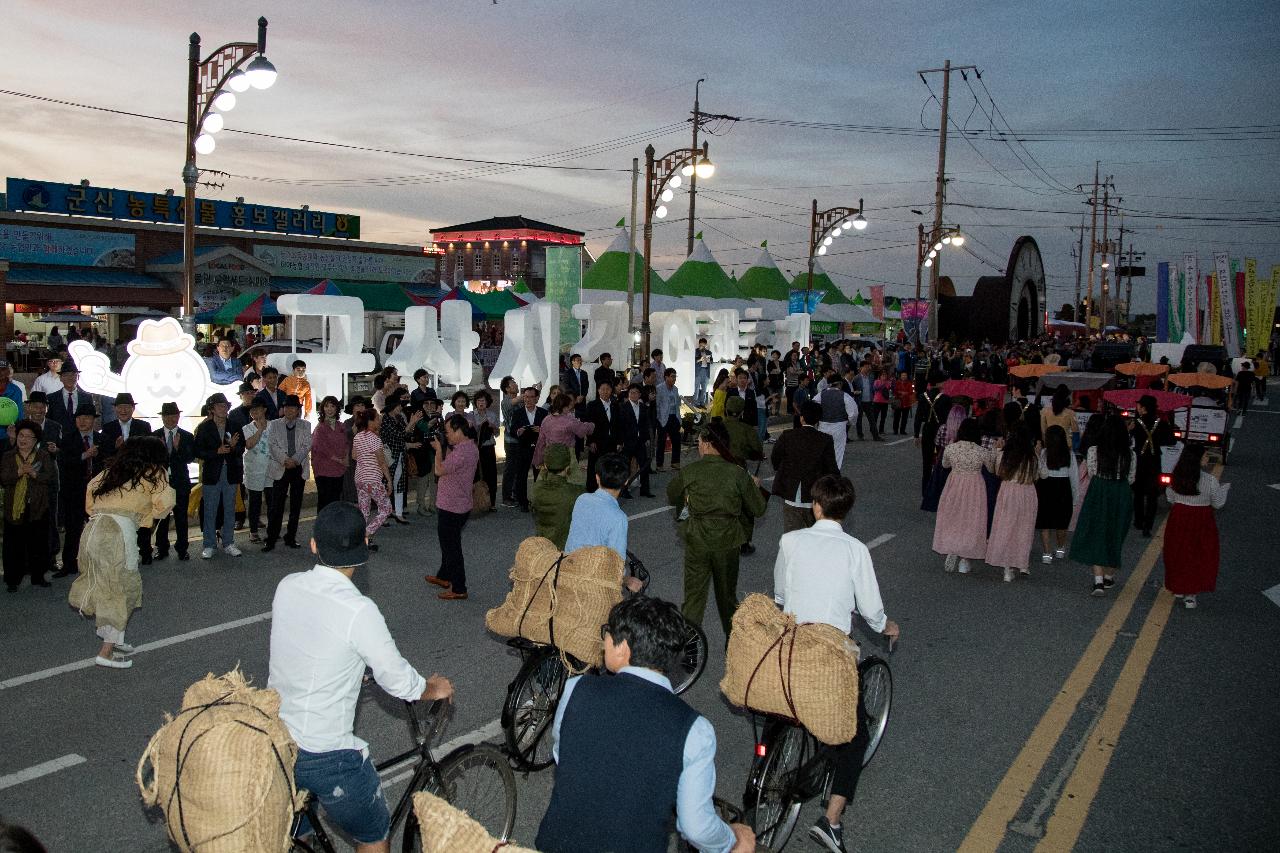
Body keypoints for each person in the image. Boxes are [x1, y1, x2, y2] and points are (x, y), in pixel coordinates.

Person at [269, 501, 454, 853]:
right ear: (364, 547)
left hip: (279, 741)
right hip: (326, 754)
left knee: (297, 828)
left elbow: (311, 644)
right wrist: (433, 688)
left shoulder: (287, 586)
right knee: (373, 833)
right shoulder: (359, 610)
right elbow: (399, 681)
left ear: (313, 545)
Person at [534, 595, 755, 853]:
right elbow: (696, 827)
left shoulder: (576, 689)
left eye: (608, 633)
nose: (604, 641)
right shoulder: (695, 729)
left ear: (623, 647)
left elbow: (565, 755)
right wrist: (732, 839)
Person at [772, 474, 900, 853]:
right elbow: (872, 611)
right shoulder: (855, 550)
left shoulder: (790, 541)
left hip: (793, 647)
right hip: (831, 654)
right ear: (847, 511)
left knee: (785, 708)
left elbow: (780, 592)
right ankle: (831, 821)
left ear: (815, 506)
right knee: (856, 735)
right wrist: (886, 626)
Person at [68, 435, 174, 668]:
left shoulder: (110, 471)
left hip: (92, 530)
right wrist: (146, 515)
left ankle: (116, 639)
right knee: (122, 588)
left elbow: (89, 497)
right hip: (119, 532)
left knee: (102, 583)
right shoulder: (153, 472)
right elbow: (164, 504)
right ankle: (106, 651)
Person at [667, 422, 767, 639]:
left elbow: (672, 494)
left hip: (697, 540)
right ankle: (732, 645)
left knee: (693, 598)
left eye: (700, 442)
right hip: (727, 541)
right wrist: (754, 486)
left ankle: (690, 650)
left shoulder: (691, 471)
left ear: (708, 444)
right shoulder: (738, 473)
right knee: (727, 598)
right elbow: (758, 508)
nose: (698, 446)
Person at [1070, 414, 1137, 596]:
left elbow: (1092, 472)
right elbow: (1131, 478)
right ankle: (1109, 576)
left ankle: (1098, 581)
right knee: (1115, 533)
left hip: (1099, 491)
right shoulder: (1130, 454)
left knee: (1096, 532)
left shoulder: (1094, 450)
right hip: (1120, 492)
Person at [1163, 442, 1228, 610]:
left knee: (1177, 552)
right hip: (1201, 519)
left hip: (1179, 516)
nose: (1207, 458)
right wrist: (1225, 489)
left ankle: (1177, 585)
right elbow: (1218, 503)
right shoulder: (1210, 480)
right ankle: (1190, 594)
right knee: (1198, 554)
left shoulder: (1177, 477)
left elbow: (1170, 497)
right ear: (1197, 459)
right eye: (1205, 455)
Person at [424, 415, 478, 601]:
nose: (446, 435)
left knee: (451, 548)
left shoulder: (462, 452)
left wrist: (438, 450)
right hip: (459, 503)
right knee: (449, 543)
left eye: (448, 431)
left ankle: (459, 588)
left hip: (452, 507)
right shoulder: (469, 446)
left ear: (458, 431)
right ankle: (444, 577)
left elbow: (439, 470)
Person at [931, 418, 994, 574]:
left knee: (953, 517)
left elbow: (945, 465)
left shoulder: (951, 448)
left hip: (955, 484)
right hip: (975, 486)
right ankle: (965, 560)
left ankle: (952, 548)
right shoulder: (981, 451)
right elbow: (991, 469)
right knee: (972, 520)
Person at [2, 420, 57, 591]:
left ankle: (38, 576)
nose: (23, 439)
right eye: (21, 436)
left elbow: (50, 477)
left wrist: (33, 473)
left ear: (35, 440)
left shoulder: (43, 455)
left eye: (28, 437)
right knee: (13, 545)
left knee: (38, 544)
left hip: (38, 507)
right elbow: (4, 478)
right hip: (14, 508)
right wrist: (19, 472)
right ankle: (12, 580)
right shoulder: (8, 456)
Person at [770, 401, 840, 533]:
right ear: (818, 420)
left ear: (801, 418)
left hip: (791, 495)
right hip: (815, 499)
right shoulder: (825, 439)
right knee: (814, 538)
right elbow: (832, 470)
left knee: (793, 538)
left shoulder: (787, 435)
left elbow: (775, 458)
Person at [986, 426, 1042, 582]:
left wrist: (996, 451)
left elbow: (997, 472)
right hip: (1027, 492)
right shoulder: (1033, 457)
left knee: (1006, 526)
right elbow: (1041, 474)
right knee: (1024, 528)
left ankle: (1007, 568)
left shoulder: (1004, 454)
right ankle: (1022, 563)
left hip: (1008, 491)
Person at [194, 392, 244, 560]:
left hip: (231, 472)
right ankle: (209, 544)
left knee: (230, 509)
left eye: (225, 406)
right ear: (212, 409)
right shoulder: (204, 427)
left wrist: (234, 447)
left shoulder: (235, 425)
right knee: (210, 509)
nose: (223, 409)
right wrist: (217, 451)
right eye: (220, 406)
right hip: (212, 473)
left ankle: (229, 542)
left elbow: (241, 449)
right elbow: (198, 451)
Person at [55, 403, 101, 577]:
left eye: (87, 418)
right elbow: (65, 462)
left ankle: (96, 563)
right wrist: (85, 455)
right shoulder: (67, 439)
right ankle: (68, 565)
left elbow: (108, 463)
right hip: (74, 492)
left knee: (96, 530)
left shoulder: (101, 439)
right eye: (79, 418)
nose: (82, 421)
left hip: (96, 493)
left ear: (93, 421)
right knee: (73, 530)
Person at [264, 395, 313, 551]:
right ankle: (271, 538)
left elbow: (307, 445)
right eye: (286, 407)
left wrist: (295, 460)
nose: (289, 410)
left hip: (298, 467)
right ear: (282, 409)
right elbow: (272, 445)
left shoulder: (306, 425)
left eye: (293, 407)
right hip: (281, 467)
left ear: (298, 410)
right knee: (276, 506)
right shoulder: (273, 425)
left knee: (296, 505)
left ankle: (290, 537)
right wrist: (285, 460)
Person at [564, 452, 629, 563]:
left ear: (597, 478)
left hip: (568, 566)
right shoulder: (619, 517)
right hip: (592, 575)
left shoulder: (582, 499)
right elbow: (617, 564)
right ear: (626, 481)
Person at [153, 402, 195, 561]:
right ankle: (161, 548)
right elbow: (151, 460)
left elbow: (190, 458)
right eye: (167, 416)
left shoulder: (186, 435)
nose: (171, 419)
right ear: (162, 417)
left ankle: (182, 548)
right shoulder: (155, 435)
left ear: (178, 417)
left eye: (174, 415)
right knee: (161, 517)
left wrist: (177, 449)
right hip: (161, 483)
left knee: (181, 518)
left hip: (181, 482)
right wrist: (163, 451)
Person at [1130, 395, 1174, 537]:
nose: (1137, 407)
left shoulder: (1135, 423)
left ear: (1143, 408)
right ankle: (1148, 526)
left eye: (1139, 405)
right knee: (1152, 494)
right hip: (1154, 460)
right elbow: (1171, 440)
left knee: (1138, 491)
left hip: (1139, 460)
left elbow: (1127, 438)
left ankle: (1138, 520)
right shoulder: (1161, 423)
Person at [1035, 424, 1078, 564]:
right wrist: (1075, 497)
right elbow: (1074, 477)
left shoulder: (1044, 453)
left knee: (1045, 521)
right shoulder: (1069, 454)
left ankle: (1047, 553)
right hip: (1063, 487)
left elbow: (1041, 472)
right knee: (1062, 521)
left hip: (1046, 486)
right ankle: (1060, 549)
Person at [351, 408, 393, 550]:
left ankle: (361, 540)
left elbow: (354, 456)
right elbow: (382, 463)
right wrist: (389, 481)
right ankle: (366, 534)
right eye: (377, 418)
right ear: (371, 421)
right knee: (386, 509)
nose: (379, 420)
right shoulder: (375, 439)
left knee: (364, 510)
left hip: (360, 478)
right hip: (373, 479)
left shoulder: (358, 436)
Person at [530, 444, 583, 549]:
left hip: (543, 547)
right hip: (565, 549)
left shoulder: (537, 488)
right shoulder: (576, 492)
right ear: (568, 468)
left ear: (545, 466)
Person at [377, 393, 418, 524]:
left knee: (399, 484)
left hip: (400, 455)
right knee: (386, 484)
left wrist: (412, 424)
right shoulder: (385, 420)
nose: (401, 407)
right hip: (388, 456)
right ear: (392, 407)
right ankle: (383, 514)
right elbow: (398, 435)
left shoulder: (399, 418)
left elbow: (407, 434)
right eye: (399, 405)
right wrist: (411, 423)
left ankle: (398, 512)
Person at [532, 392, 595, 471]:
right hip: (566, 456)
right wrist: (592, 425)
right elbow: (582, 431)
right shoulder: (569, 420)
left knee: (552, 481)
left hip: (550, 456)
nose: (569, 408)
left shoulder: (546, 419)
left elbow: (541, 442)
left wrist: (538, 461)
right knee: (567, 481)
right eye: (568, 406)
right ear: (564, 407)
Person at [240, 398, 273, 543]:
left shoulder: (274, 425)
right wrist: (259, 430)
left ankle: (273, 529)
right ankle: (253, 531)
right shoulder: (247, 428)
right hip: (254, 469)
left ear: (264, 409)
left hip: (272, 469)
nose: (254, 412)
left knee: (272, 501)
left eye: (257, 409)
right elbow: (249, 445)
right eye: (252, 410)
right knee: (255, 502)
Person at [508, 387, 547, 512]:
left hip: (539, 449)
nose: (528, 399)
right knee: (521, 476)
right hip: (523, 448)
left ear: (537, 398)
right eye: (526, 397)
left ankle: (539, 502)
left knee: (539, 477)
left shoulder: (543, 413)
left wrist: (541, 430)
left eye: (531, 397)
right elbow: (512, 430)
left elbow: (549, 431)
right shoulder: (518, 413)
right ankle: (523, 502)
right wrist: (518, 431)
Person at [312, 396, 349, 512]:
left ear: (337, 408)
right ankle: (322, 527)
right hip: (324, 469)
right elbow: (321, 447)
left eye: (332, 406)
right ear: (322, 409)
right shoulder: (320, 427)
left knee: (335, 499)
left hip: (339, 468)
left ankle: (333, 526)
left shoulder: (341, 425)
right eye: (326, 406)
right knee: (324, 500)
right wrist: (339, 460)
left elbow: (347, 443)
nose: (329, 409)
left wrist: (346, 458)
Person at [617, 383, 653, 498]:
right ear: (628, 394)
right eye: (631, 392)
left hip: (640, 441)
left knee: (644, 466)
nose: (634, 395)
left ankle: (645, 490)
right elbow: (620, 427)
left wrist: (647, 438)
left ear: (640, 394)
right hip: (628, 442)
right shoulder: (623, 407)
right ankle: (624, 490)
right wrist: (620, 442)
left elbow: (645, 424)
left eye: (636, 392)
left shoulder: (643, 407)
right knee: (626, 468)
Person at [584, 380, 620, 493]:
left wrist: (619, 441)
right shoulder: (592, 405)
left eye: (608, 389)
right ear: (598, 390)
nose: (605, 391)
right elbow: (588, 424)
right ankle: (592, 490)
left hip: (612, 441)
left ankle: (608, 490)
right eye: (602, 389)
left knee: (610, 467)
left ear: (611, 391)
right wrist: (590, 441)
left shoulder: (615, 405)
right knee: (594, 468)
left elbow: (619, 424)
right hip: (597, 442)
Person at [816, 377, 858, 469]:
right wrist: (850, 423)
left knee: (823, 451)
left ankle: (822, 474)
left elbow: (812, 407)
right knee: (837, 453)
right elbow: (853, 413)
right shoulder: (844, 395)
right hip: (839, 425)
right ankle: (834, 475)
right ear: (840, 384)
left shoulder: (821, 395)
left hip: (823, 426)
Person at [469, 390, 499, 510]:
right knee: (475, 475)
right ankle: (476, 502)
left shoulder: (492, 415)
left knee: (491, 475)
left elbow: (497, 433)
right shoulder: (471, 415)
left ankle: (491, 503)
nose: (481, 403)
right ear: (475, 402)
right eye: (479, 400)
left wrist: (493, 427)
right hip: (476, 448)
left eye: (483, 400)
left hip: (489, 448)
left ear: (487, 402)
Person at [46, 362, 95, 434]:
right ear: (60, 378)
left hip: (81, 440)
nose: (70, 378)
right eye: (66, 375)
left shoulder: (87, 398)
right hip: (59, 440)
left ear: (78, 377)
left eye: (73, 375)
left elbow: (91, 420)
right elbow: (48, 422)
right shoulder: (51, 398)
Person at [498, 375, 521, 507]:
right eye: (513, 383)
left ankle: (516, 494)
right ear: (507, 388)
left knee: (518, 468)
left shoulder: (519, 400)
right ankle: (506, 497)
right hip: (510, 441)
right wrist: (532, 392)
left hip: (520, 440)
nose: (516, 385)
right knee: (510, 469)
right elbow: (517, 400)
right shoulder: (505, 401)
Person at [654, 368, 683, 472]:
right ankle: (659, 464)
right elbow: (657, 405)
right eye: (672, 376)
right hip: (663, 418)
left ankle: (675, 462)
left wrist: (679, 419)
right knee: (661, 442)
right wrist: (658, 418)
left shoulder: (675, 389)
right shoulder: (659, 388)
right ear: (666, 377)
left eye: (675, 376)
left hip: (674, 417)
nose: (674, 378)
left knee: (676, 440)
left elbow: (677, 405)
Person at [891, 370, 915, 436]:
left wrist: (904, 393)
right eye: (903, 375)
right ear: (900, 376)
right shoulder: (897, 382)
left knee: (904, 418)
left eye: (905, 375)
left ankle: (902, 430)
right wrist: (901, 393)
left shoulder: (910, 383)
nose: (904, 376)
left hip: (906, 402)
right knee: (896, 417)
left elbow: (912, 392)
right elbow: (894, 391)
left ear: (907, 376)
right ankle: (895, 430)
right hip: (899, 401)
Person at [872, 368, 894, 435]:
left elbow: (892, 389)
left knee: (883, 417)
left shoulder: (888, 382)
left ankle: (881, 430)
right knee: (875, 416)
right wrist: (884, 384)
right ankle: (873, 429)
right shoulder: (877, 381)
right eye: (883, 375)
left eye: (885, 375)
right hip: (877, 401)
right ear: (880, 376)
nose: (884, 376)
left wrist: (892, 383)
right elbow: (876, 389)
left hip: (885, 402)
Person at [694, 337, 713, 406]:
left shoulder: (709, 352)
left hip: (706, 371)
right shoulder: (696, 351)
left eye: (704, 345)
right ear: (699, 344)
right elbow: (694, 361)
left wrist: (709, 360)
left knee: (704, 389)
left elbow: (712, 361)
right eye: (701, 345)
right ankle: (695, 403)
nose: (702, 347)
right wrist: (700, 359)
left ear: (706, 345)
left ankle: (702, 403)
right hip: (698, 371)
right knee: (696, 388)